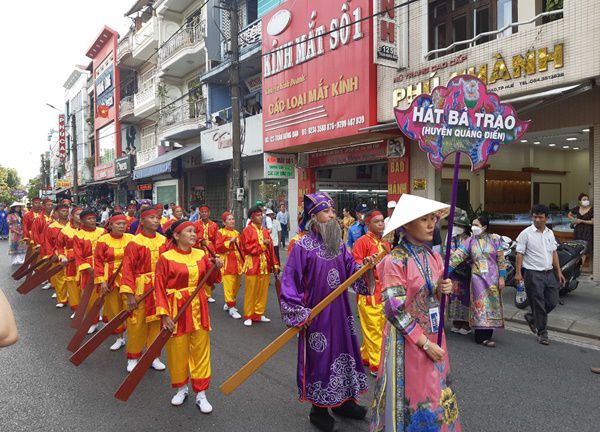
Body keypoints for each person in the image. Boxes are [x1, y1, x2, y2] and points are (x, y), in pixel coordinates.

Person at [280, 192, 373, 432]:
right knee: (321, 360)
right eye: (327, 212)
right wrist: (298, 311)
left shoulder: (339, 244)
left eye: (333, 211)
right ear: (314, 217)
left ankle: (345, 402)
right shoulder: (301, 245)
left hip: (341, 314)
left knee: (345, 353)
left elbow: (353, 270)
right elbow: (290, 281)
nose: (333, 216)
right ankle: (319, 410)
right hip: (317, 316)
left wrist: (366, 267)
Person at [372, 194, 460, 432]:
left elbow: (436, 299)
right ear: (407, 224)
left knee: (436, 394)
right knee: (413, 396)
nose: (432, 224)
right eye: (424, 219)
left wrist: (445, 289)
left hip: (433, 336)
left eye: (433, 218)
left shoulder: (433, 256)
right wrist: (424, 344)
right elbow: (394, 310)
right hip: (408, 343)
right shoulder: (395, 261)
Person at [155, 220, 223, 412]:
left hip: (198, 307)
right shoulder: (166, 258)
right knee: (177, 350)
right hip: (176, 308)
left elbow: (210, 280)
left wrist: (216, 266)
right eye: (189, 231)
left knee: (201, 350)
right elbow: (159, 288)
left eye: (195, 231)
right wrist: (164, 314)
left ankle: (201, 393)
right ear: (176, 236)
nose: (194, 234)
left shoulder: (201, 254)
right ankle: (181, 388)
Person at [120, 207, 168, 372]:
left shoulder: (164, 241)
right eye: (152, 218)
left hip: (159, 289)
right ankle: (133, 356)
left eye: (157, 218)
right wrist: (130, 294)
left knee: (156, 323)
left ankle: (153, 356)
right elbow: (127, 270)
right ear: (142, 221)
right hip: (141, 288)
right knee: (137, 324)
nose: (156, 220)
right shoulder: (134, 243)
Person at [449, 215, 507, 347]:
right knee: (480, 305)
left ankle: (488, 334)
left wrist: (502, 276)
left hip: (493, 278)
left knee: (492, 305)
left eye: (476, 225)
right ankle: (480, 337)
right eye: (472, 225)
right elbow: (458, 256)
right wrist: (445, 270)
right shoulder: (470, 241)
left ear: (484, 227)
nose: (473, 227)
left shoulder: (495, 239)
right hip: (477, 278)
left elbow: (501, 259)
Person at [515, 204, 566, 346]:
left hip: (549, 273)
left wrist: (559, 271)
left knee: (552, 301)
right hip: (533, 273)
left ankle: (532, 318)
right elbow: (520, 253)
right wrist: (518, 273)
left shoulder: (550, 233)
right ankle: (542, 332)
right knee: (538, 304)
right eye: (535, 217)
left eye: (540, 217)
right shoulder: (525, 233)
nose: (537, 220)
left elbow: (553, 252)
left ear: (547, 218)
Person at [351, 209, 390, 376]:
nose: (381, 224)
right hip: (369, 293)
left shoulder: (386, 243)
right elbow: (354, 264)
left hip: (384, 292)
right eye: (377, 221)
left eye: (382, 221)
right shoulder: (362, 242)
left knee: (380, 327)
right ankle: (377, 364)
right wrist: (365, 264)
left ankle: (366, 356)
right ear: (368, 224)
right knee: (374, 328)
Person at [94, 213, 134, 351]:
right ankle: (120, 337)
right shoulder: (103, 240)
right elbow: (98, 261)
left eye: (124, 223)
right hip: (110, 277)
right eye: (118, 224)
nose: (122, 226)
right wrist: (102, 281)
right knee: (115, 309)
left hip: (130, 278)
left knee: (132, 309)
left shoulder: (132, 239)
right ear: (110, 225)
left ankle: (136, 341)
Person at [241, 206, 280, 327]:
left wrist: (275, 263)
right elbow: (247, 248)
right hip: (253, 263)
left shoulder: (265, 231)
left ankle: (258, 313)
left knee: (263, 290)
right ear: (252, 217)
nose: (261, 216)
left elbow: (271, 249)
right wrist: (262, 244)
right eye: (258, 215)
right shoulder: (247, 230)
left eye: (261, 214)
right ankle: (248, 315)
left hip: (265, 264)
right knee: (251, 290)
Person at [73, 209, 106, 334]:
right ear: (82, 221)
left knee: (108, 296)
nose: (92, 221)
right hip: (88, 270)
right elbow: (78, 254)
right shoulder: (78, 235)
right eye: (89, 219)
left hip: (104, 267)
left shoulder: (103, 232)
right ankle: (93, 321)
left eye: (93, 218)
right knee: (90, 297)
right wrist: (89, 268)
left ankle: (111, 323)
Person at [446, 209, 472, 335]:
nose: (457, 227)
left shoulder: (470, 239)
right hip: (455, 273)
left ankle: (466, 324)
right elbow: (450, 253)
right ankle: (456, 322)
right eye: (456, 225)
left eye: (460, 225)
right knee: (454, 297)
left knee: (466, 298)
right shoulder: (453, 239)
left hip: (466, 274)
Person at [215, 212, 244, 319]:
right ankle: (231, 307)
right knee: (229, 286)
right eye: (229, 219)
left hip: (237, 262)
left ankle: (229, 303)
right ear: (224, 222)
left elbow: (241, 248)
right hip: (227, 262)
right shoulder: (220, 232)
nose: (232, 221)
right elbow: (218, 247)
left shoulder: (237, 233)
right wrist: (229, 243)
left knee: (236, 285)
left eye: (233, 219)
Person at [41, 203, 70, 308]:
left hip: (71, 255)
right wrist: (51, 254)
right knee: (59, 277)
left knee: (72, 278)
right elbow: (47, 242)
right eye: (63, 211)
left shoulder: (72, 225)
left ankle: (73, 298)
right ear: (57, 213)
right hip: (58, 254)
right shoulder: (52, 227)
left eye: (67, 211)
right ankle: (62, 299)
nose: (65, 213)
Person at [56, 207, 83, 315]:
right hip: (71, 262)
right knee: (72, 286)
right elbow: (59, 246)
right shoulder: (65, 230)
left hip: (87, 262)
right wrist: (62, 256)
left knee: (88, 287)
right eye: (77, 214)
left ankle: (91, 312)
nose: (80, 217)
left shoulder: (91, 230)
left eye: (82, 214)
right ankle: (76, 309)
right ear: (72, 216)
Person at [194, 205, 219, 303]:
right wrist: (199, 241)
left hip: (210, 250)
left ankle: (208, 294)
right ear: (199, 213)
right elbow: (193, 237)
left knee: (210, 271)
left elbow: (216, 240)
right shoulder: (195, 225)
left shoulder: (214, 225)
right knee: (200, 271)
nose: (204, 213)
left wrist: (216, 253)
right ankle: (199, 292)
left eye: (206, 212)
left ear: (209, 213)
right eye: (202, 212)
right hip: (199, 250)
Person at [568, 193, 593, 270]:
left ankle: (579, 268)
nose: (586, 201)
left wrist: (581, 221)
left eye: (587, 199)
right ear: (580, 201)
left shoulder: (592, 209)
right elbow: (569, 214)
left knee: (584, 250)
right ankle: (577, 268)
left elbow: (593, 222)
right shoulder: (577, 208)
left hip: (588, 231)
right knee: (577, 249)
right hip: (578, 231)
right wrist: (573, 220)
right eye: (584, 199)